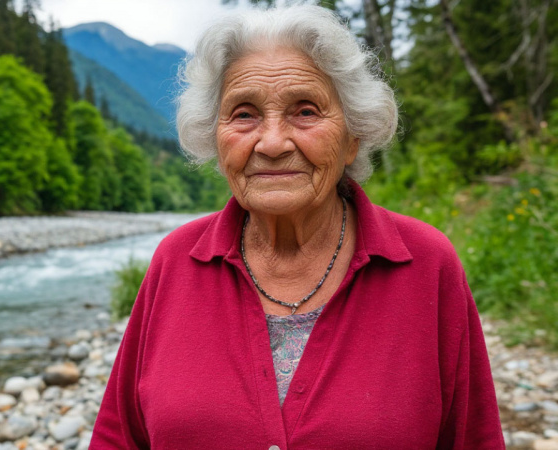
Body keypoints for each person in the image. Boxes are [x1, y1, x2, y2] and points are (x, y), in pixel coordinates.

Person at [90, 5, 504, 450]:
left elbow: (473, 438)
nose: (271, 143)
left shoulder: (425, 264)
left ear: (353, 136)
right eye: (244, 114)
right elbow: (119, 438)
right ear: (216, 137)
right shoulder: (176, 261)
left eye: (305, 111)